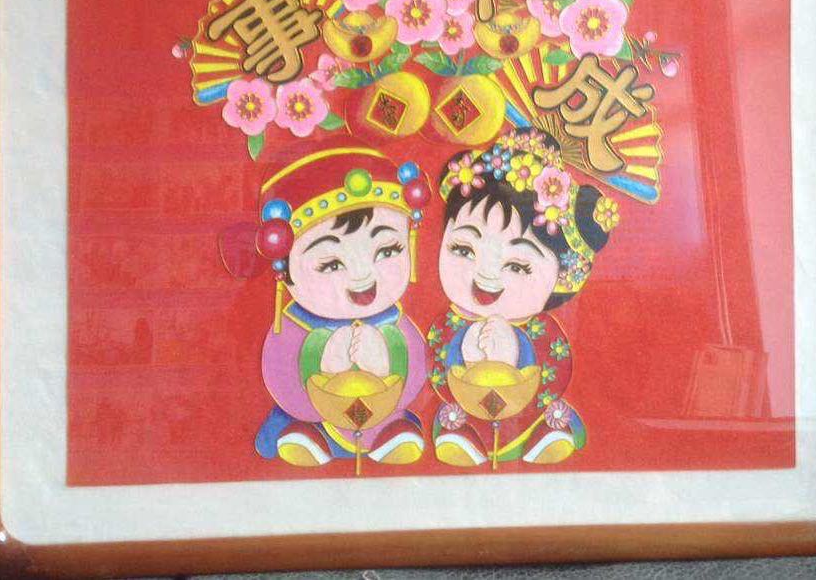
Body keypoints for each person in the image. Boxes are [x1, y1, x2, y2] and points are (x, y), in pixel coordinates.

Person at [222, 142, 431, 468]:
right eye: (331, 264)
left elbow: (417, 368)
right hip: (313, 417)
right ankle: (310, 440)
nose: (363, 276)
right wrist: (321, 361)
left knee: (394, 425)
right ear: (284, 268)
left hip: (381, 413)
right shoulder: (293, 324)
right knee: (299, 427)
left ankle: (389, 439)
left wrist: (387, 358)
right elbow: (281, 379)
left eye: (387, 250)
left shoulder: (394, 319)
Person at [426, 128, 617, 467]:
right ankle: (464, 439)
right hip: (465, 408)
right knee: (455, 420)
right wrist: (470, 356)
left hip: (528, 413)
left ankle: (542, 438)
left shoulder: (541, 331)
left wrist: (512, 355)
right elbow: (439, 372)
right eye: (463, 249)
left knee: (547, 422)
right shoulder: (451, 324)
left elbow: (553, 374)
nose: (486, 275)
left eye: (517, 265)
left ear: (560, 275)